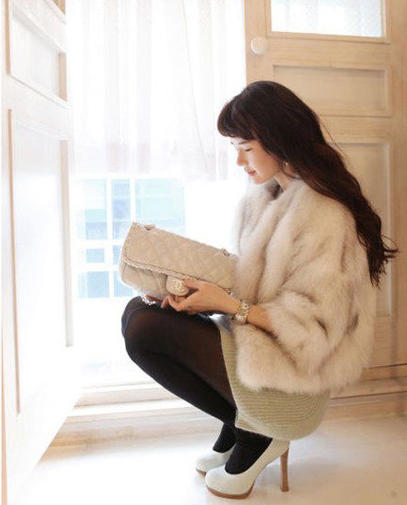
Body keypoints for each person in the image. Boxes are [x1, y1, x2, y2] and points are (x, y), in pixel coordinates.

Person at [120, 80, 399, 499]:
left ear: (279, 140)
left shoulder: (326, 216)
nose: (239, 161)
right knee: (139, 314)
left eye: (246, 148)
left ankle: (260, 434)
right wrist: (195, 297)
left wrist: (229, 305)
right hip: (259, 346)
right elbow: (254, 286)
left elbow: (313, 333)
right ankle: (241, 425)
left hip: (294, 376)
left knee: (147, 330)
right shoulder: (264, 199)